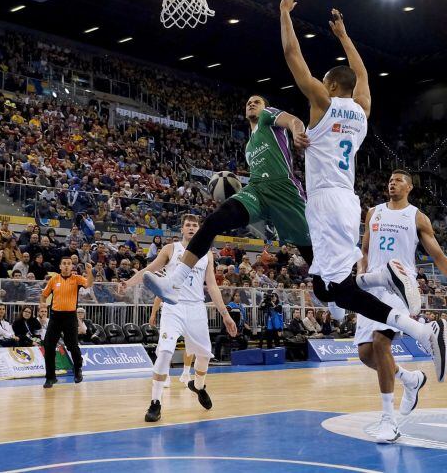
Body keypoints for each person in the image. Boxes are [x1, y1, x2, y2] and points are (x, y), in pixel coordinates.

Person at [278, 0, 447, 383]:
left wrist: (285, 14)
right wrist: (344, 36)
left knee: (338, 292)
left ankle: (416, 324)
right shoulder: (362, 110)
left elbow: (293, 57)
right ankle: (382, 282)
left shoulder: (322, 104)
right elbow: (362, 73)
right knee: (325, 289)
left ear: (328, 86)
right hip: (349, 199)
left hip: (326, 200)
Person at [143, 94, 314, 307]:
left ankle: (331, 289)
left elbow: (292, 120)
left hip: (284, 190)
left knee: (313, 258)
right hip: (257, 190)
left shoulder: (268, 118)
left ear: (265, 107)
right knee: (214, 220)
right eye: (248, 102)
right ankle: (174, 283)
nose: (251, 103)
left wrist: (298, 132)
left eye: (256, 101)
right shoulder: (249, 146)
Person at [355, 171, 447, 442]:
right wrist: (360, 273)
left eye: (398, 180)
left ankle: (388, 420)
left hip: (400, 286)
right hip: (372, 284)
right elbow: (365, 250)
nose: (391, 182)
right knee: (365, 354)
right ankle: (410, 379)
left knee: (380, 343)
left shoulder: (417, 217)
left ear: (409, 187)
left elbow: (438, 254)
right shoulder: (373, 213)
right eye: (390, 180)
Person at [123, 215, 237, 422]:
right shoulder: (170, 249)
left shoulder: (208, 254)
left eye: (195, 225)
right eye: (188, 225)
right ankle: (155, 403)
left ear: (199, 229)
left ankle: (198, 385)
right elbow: (150, 270)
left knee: (204, 356)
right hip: (173, 306)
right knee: (165, 352)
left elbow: (212, 286)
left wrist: (226, 315)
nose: (192, 228)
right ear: (182, 229)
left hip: (196, 309)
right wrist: (128, 283)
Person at [41, 258, 94, 388]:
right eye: (64, 263)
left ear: (72, 266)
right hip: (55, 317)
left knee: (72, 345)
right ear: (60, 266)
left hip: (70, 317)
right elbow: (44, 294)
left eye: (68, 264)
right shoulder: (54, 280)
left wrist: (89, 272)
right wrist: (42, 303)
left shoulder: (77, 279)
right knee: (48, 346)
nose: (66, 266)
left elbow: (89, 284)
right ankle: (50, 377)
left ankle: (78, 370)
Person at [148, 298, 195, 387]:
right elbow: (158, 296)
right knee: (167, 347)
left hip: (188, 314)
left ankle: (186, 374)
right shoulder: (168, 284)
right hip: (170, 315)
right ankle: (166, 375)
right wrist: (153, 314)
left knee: (191, 344)